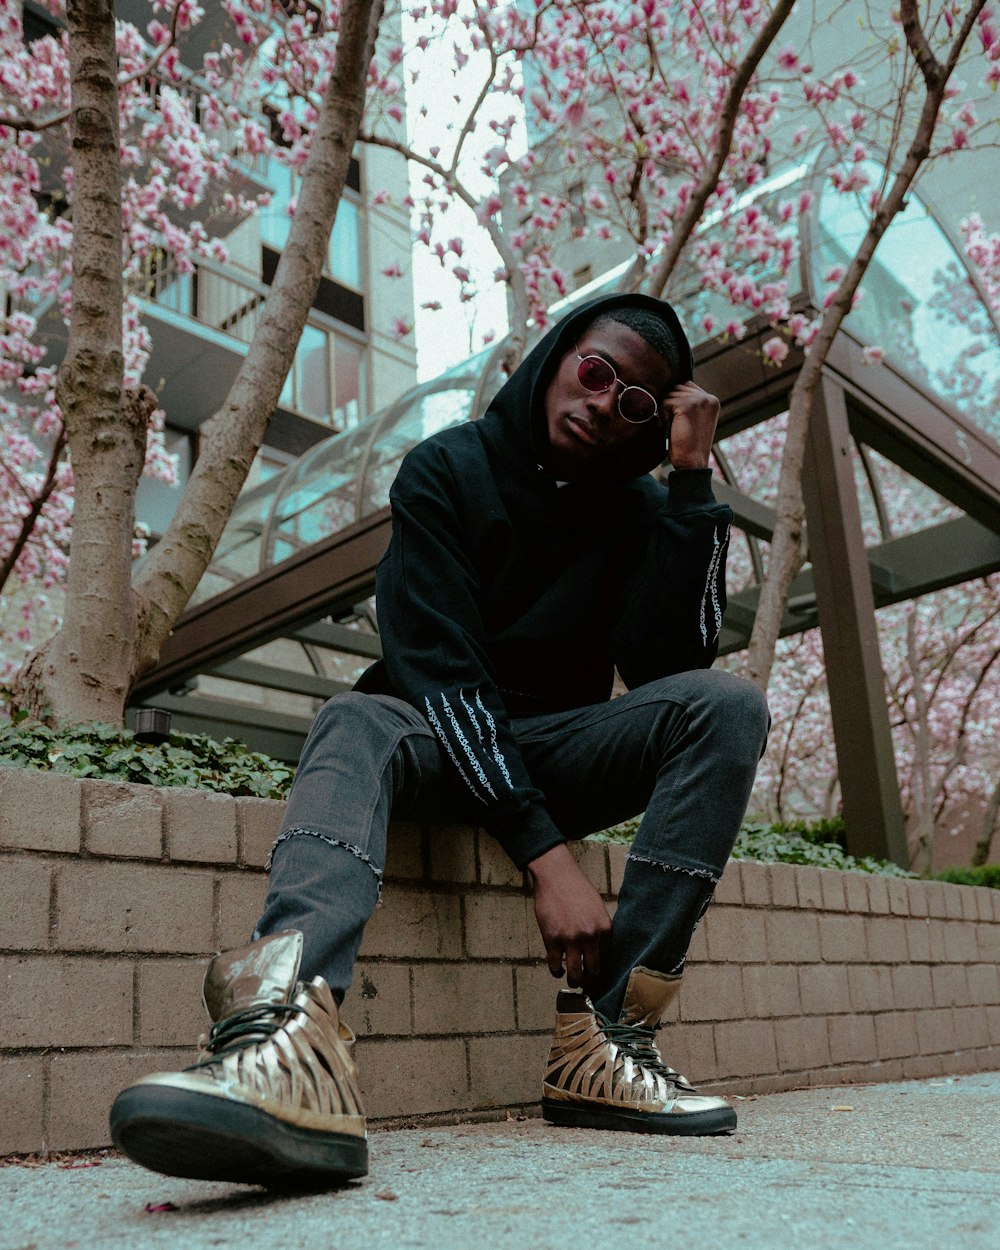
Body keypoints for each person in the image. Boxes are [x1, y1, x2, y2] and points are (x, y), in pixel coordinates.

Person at [109, 292, 770, 1188]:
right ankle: (287, 1035)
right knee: (354, 715)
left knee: (727, 706)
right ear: (558, 354)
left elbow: (674, 664)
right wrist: (547, 857)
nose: (604, 402)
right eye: (596, 371)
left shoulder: (636, 513)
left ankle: (606, 1042)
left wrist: (690, 484)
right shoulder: (446, 468)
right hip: (425, 740)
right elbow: (439, 669)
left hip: (554, 749)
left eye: (636, 403)